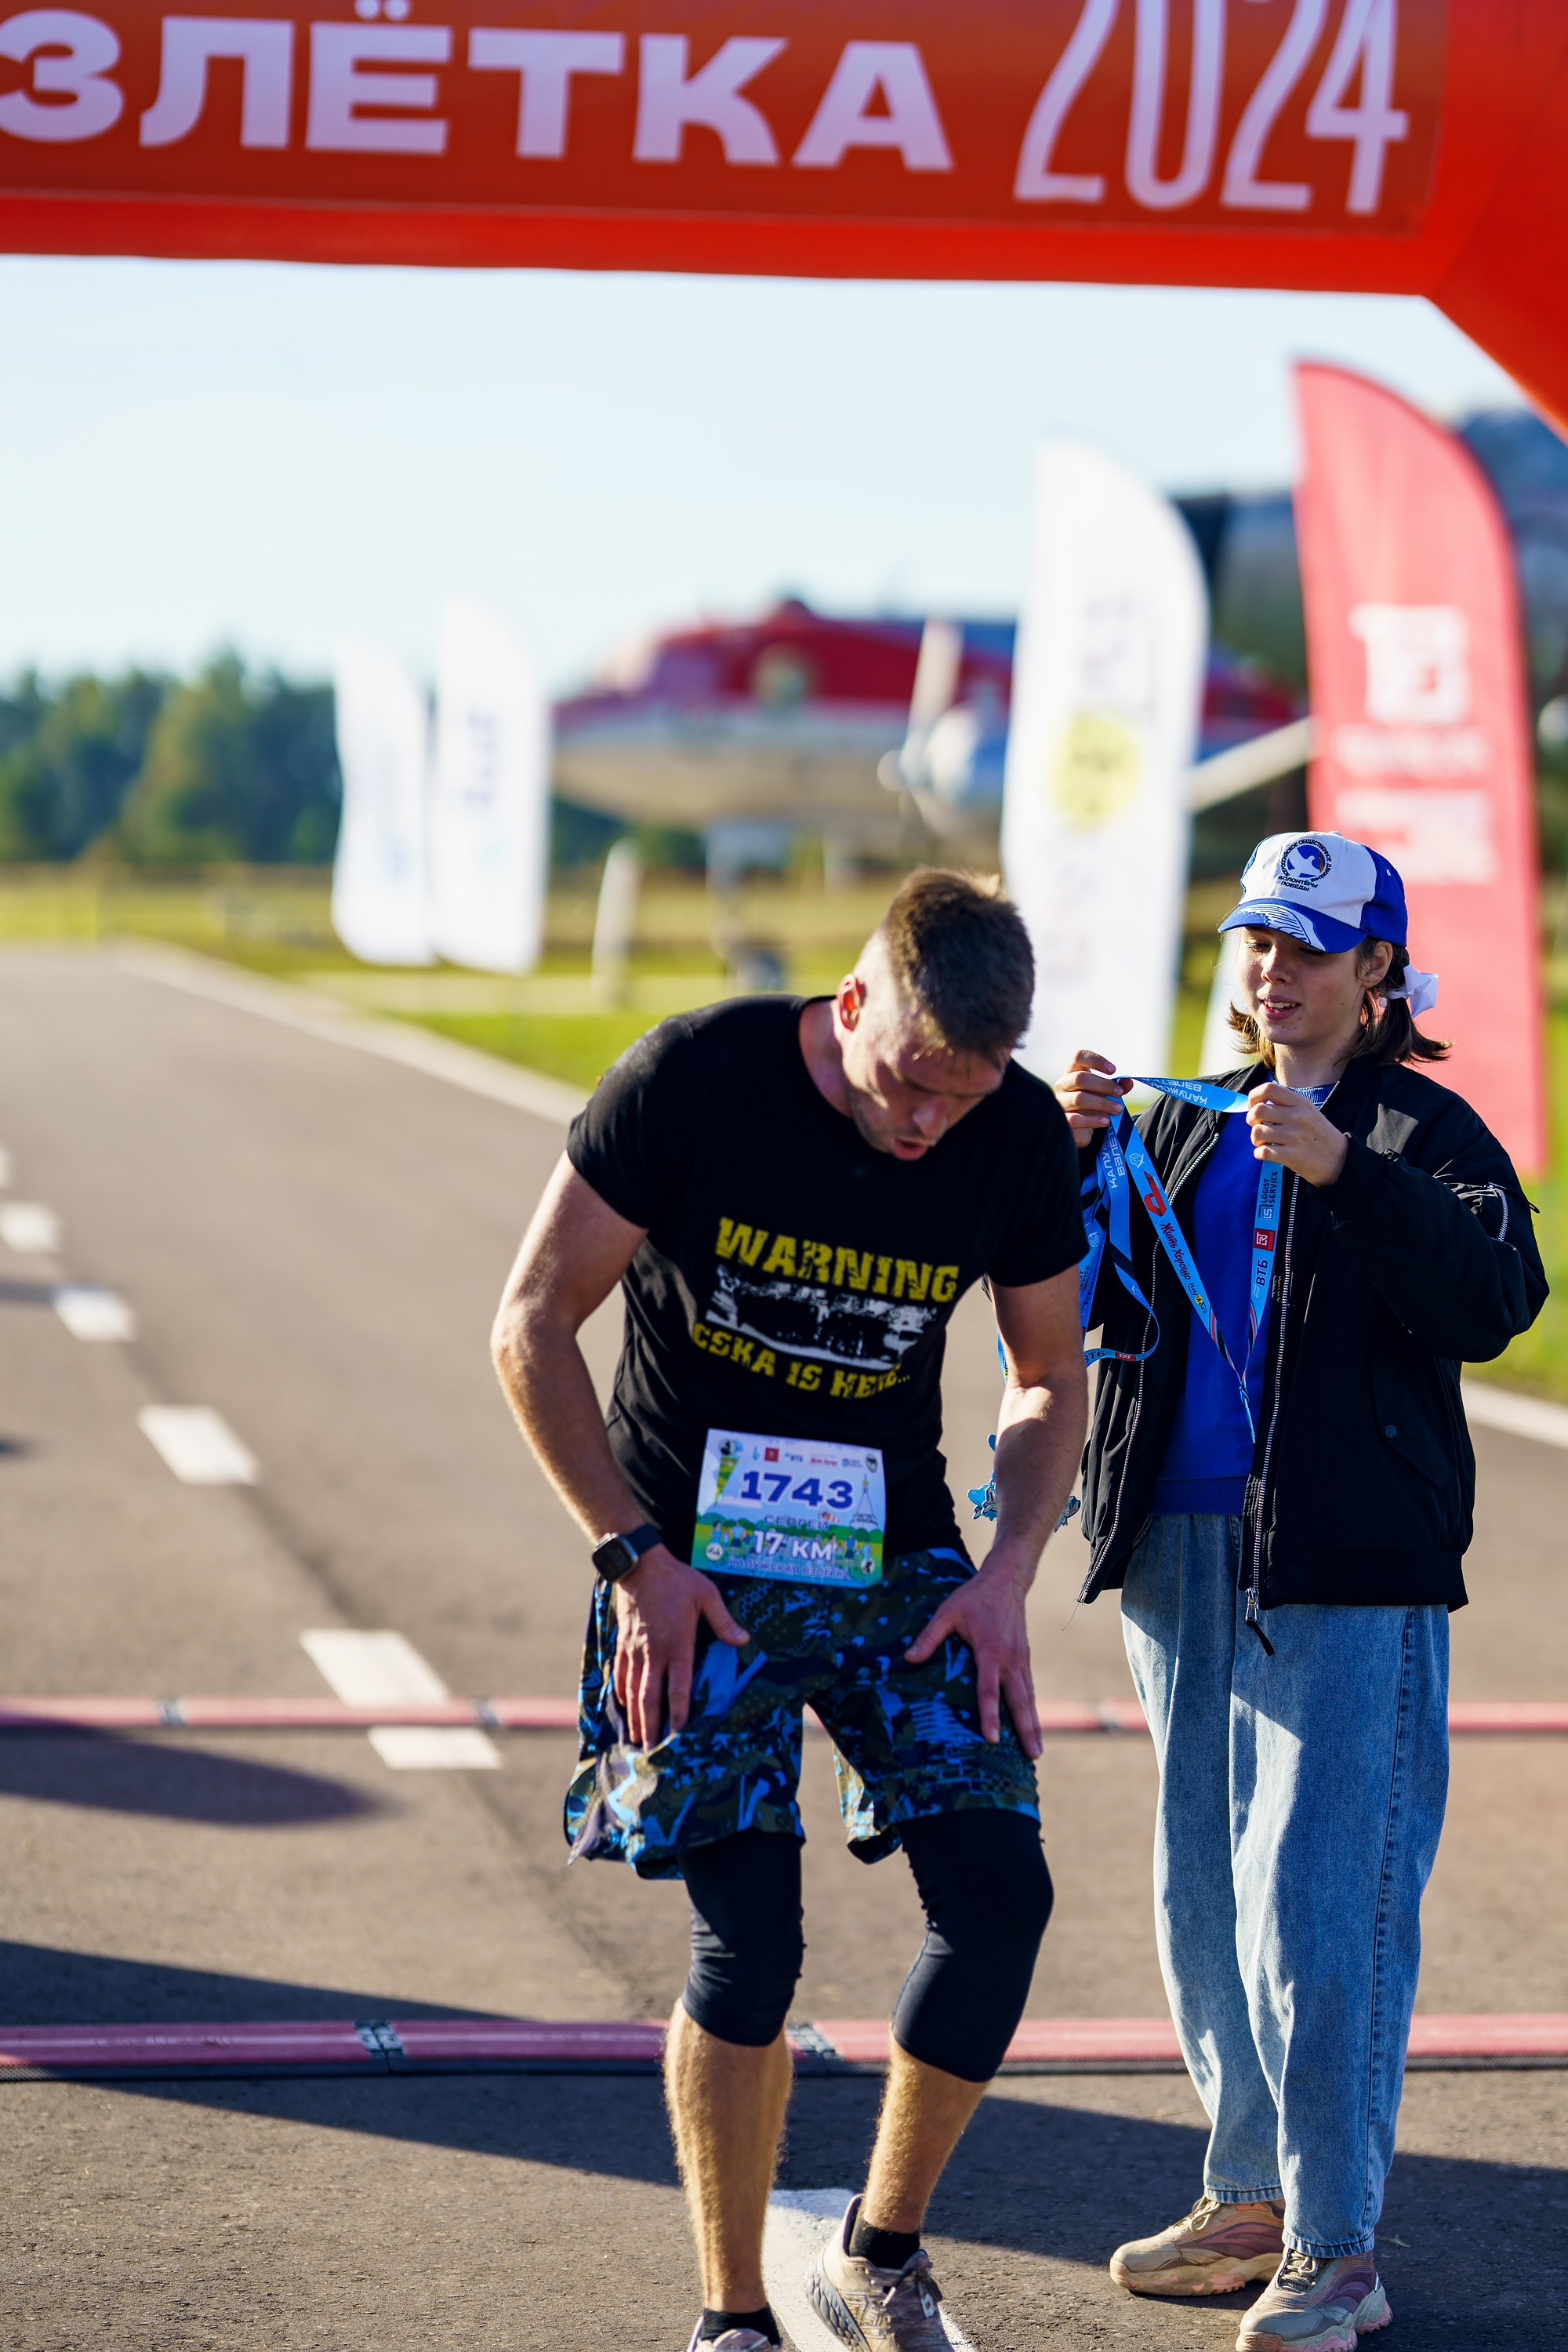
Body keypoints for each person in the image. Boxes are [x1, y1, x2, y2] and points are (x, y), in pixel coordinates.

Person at [492, 869, 1088, 2352]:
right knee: (749, 1942)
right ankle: (734, 2313)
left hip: (891, 1553)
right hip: (689, 1557)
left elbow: (1047, 1377)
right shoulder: (697, 1078)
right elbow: (530, 1323)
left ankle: (879, 2254)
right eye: (905, 1087)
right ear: (851, 1005)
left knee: (1003, 1895)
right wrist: (635, 1561)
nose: (924, 1126)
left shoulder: (1009, 1133)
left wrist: (1007, 1569)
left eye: (961, 1098)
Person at [1056, 831, 1547, 2352]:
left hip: (1342, 1561)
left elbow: (1496, 1301)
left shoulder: (1423, 1125)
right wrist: (1069, 1162)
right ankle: (1249, 2195)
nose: (1272, 969)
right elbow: (1089, 1305)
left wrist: (1348, 1176)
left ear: (1379, 972)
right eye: (1256, 939)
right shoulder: (1192, 1121)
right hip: (1177, 1547)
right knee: (1203, 1898)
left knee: (1318, 1910)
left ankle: (1338, 2246)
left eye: (1308, 946)